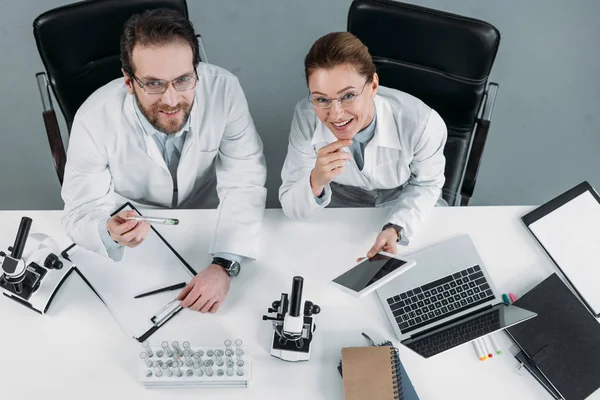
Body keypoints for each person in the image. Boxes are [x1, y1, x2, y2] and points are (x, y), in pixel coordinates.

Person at [61, 9, 267, 313]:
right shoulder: (93, 118)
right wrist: (108, 230)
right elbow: (80, 211)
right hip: (136, 240)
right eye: (154, 84)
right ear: (129, 82)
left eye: (183, 79)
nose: (171, 100)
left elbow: (244, 180)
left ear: (197, 71)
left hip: (211, 224)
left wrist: (225, 263)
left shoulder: (224, 90)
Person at [279, 32, 447, 257]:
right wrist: (315, 180)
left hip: (403, 199)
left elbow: (426, 184)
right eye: (321, 99)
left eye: (348, 95)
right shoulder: (306, 117)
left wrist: (396, 226)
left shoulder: (421, 123)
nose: (336, 115)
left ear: (373, 85)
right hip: (340, 204)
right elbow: (293, 209)